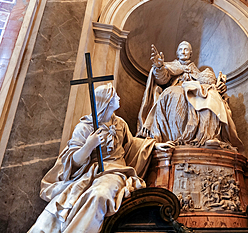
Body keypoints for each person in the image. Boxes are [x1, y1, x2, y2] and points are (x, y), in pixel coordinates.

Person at [28, 83, 173, 233]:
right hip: (89, 173)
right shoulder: (85, 127)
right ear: (107, 101)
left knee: (100, 194)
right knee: (68, 200)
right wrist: (88, 146)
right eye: (115, 95)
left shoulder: (120, 123)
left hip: (116, 172)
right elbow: (73, 161)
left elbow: (132, 144)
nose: (119, 97)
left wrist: (155, 146)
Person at [137, 41, 244, 152]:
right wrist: (159, 67)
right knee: (174, 93)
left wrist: (218, 87)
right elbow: (162, 79)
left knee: (211, 95)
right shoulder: (170, 66)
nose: (183, 51)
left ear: (191, 53)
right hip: (178, 89)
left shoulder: (198, 72)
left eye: (186, 49)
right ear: (177, 53)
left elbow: (207, 83)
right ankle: (177, 139)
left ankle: (207, 136)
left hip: (195, 92)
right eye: (181, 49)